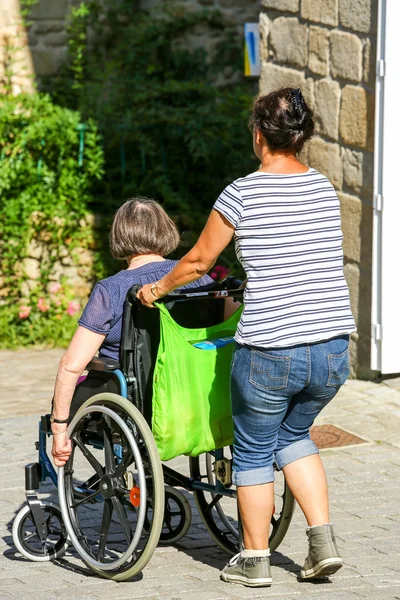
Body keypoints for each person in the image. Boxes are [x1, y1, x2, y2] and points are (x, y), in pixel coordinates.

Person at [138, 88, 356, 588]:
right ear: (300, 137)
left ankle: (254, 559)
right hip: (331, 345)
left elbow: (197, 261)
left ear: (259, 136)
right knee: (294, 436)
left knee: (255, 450)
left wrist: (156, 288)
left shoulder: (241, 194)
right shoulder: (323, 187)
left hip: (271, 348)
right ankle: (322, 543)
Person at [50, 198, 214, 467]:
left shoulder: (111, 289)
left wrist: (59, 428)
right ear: (166, 230)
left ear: (119, 236)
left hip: (135, 397)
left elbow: (71, 366)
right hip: (192, 392)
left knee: (69, 393)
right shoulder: (196, 277)